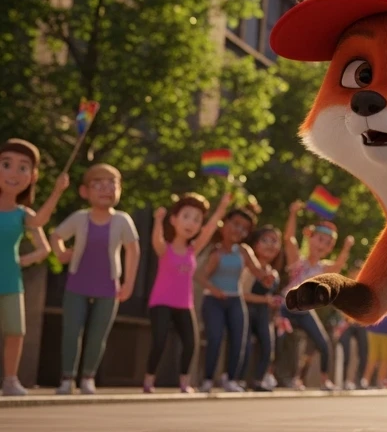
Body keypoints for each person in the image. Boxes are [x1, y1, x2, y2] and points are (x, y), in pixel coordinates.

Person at [49, 163, 139, 395]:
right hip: (77, 283)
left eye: (112, 184)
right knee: (71, 331)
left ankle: (88, 376)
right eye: (98, 184)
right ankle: (67, 377)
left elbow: (132, 250)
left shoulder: (122, 220)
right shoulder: (80, 218)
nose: (106, 189)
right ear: (85, 191)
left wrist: (128, 283)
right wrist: (61, 253)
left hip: (108, 286)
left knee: (98, 334)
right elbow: (56, 235)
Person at [144, 191, 231, 393]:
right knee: (159, 341)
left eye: (196, 219)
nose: (191, 223)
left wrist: (223, 206)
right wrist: (158, 220)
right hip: (161, 302)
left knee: (191, 343)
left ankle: (184, 382)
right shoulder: (165, 249)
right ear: (174, 220)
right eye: (186, 216)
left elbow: (211, 227)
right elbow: (156, 240)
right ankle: (149, 379)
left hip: (184, 303)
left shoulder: (194, 249)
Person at [0, 140, 59, 396]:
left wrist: (57, 192)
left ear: (33, 176)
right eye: (6, 164)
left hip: (11, 280)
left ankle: (10, 379)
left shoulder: (23, 213)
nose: (13, 173)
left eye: (23, 167)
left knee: (16, 330)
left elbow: (43, 244)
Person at [196, 205, 273, 393]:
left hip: (235, 300)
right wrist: (214, 290)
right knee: (215, 338)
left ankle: (231, 378)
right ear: (225, 224)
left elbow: (257, 271)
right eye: (236, 224)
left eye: (244, 228)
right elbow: (200, 277)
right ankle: (207, 379)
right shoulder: (216, 252)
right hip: (214, 301)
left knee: (239, 340)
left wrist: (266, 278)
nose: (239, 231)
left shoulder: (244, 251)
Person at [281, 200, 352, 390]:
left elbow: (338, 266)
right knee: (283, 338)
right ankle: (273, 375)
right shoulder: (297, 261)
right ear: (310, 237)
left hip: (304, 310)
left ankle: (323, 379)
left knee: (323, 342)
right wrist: (293, 213)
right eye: (320, 239)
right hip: (286, 306)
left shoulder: (322, 268)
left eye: (328, 243)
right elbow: (288, 239)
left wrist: (346, 247)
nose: (323, 245)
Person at [241, 225, 285, 392]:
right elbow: (242, 294)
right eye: (265, 240)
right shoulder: (250, 269)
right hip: (247, 311)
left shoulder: (274, 273)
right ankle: (240, 379)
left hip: (264, 315)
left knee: (268, 346)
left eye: (274, 241)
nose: (270, 245)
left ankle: (259, 379)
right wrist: (265, 299)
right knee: (244, 345)